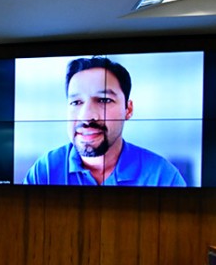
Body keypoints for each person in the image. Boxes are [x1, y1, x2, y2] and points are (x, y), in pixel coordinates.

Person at [23, 57, 187, 186]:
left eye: (103, 100)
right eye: (76, 102)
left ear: (128, 109)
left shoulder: (162, 176)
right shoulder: (45, 170)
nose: (86, 116)